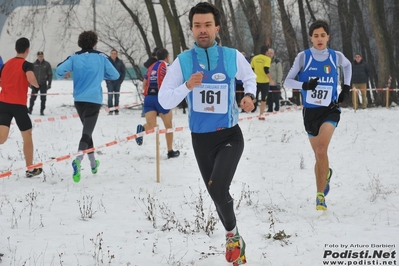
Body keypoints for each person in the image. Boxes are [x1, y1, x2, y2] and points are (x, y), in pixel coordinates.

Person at [158, 2, 256, 265]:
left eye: (208, 25)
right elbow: (164, 100)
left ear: (217, 27)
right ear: (191, 29)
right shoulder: (183, 62)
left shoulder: (232, 56)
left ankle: (232, 240)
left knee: (218, 185)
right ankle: (233, 234)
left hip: (229, 135)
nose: (203, 30)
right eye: (197, 26)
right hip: (200, 139)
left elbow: (250, 77)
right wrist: (187, 86)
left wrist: (249, 96)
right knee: (216, 193)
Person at [284, 20, 352, 211]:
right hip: (310, 112)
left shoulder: (335, 56)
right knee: (318, 155)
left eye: (323, 35)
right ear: (311, 38)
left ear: (328, 37)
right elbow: (287, 82)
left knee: (322, 150)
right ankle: (326, 174)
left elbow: (348, 67)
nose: (320, 39)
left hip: (330, 109)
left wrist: (346, 87)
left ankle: (320, 195)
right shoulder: (303, 57)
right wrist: (304, 85)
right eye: (316, 36)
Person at [56, 30, 120, 183]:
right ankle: (78, 159)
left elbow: (58, 71)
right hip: (93, 99)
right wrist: (102, 74)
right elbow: (115, 75)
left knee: (87, 131)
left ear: (80, 42)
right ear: (94, 42)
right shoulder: (101, 57)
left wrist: (66, 73)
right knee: (87, 132)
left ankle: (93, 164)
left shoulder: (74, 57)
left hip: (79, 100)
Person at [0, 37, 42, 177]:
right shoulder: (26, 65)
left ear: (15, 49)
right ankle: (30, 169)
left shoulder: (6, 64)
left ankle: (30, 168)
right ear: (27, 50)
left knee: (1, 138)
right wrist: (38, 86)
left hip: (3, 103)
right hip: (18, 105)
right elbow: (30, 79)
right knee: (27, 135)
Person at [135, 48, 180, 159]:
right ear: (167, 56)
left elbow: (144, 85)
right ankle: (170, 151)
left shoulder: (150, 68)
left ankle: (142, 129)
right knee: (168, 126)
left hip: (149, 99)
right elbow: (173, 81)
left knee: (151, 125)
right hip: (161, 99)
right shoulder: (167, 66)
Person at [250, 45, 274, 120]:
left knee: (254, 97)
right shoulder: (267, 59)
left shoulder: (254, 58)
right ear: (266, 52)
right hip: (264, 82)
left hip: (256, 81)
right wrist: (271, 79)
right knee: (264, 99)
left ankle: (250, 109)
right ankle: (261, 114)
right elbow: (266, 69)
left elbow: (252, 69)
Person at [28, 51, 53, 116]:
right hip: (35, 84)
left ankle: (42, 111)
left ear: (43, 56)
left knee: (43, 98)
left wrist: (49, 84)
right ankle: (30, 109)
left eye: (41, 56)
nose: (40, 58)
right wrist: (30, 84)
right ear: (37, 57)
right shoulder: (33, 64)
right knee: (32, 98)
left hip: (43, 84)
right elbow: (30, 75)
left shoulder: (47, 64)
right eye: (39, 56)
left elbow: (50, 75)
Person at [106, 49, 126, 115]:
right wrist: (107, 80)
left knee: (117, 96)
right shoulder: (107, 61)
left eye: (115, 53)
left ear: (117, 54)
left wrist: (120, 81)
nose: (113, 55)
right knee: (110, 96)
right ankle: (110, 110)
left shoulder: (120, 62)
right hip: (110, 81)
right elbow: (104, 71)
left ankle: (116, 110)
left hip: (117, 82)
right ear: (110, 54)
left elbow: (123, 72)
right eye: (112, 53)